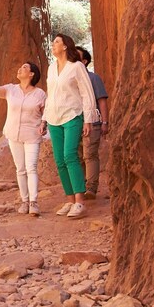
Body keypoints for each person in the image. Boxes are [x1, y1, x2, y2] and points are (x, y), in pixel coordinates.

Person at [41, 34, 98, 219]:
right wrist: (44, 119)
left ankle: (80, 202)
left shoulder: (77, 66)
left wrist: (88, 119)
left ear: (65, 46)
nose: (53, 45)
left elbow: (87, 93)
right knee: (59, 160)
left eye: (57, 42)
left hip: (73, 115)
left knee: (70, 155)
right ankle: (70, 200)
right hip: (53, 118)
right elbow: (50, 95)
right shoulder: (51, 68)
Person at [0, 55, 47, 216]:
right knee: (20, 169)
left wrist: (44, 123)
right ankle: (24, 201)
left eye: (25, 67)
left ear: (32, 74)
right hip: (13, 134)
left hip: (32, 134)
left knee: (31, 167)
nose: (20, 69)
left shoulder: (40, 94)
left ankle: (34, 202)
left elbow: (46, 112)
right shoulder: (11, 89)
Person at [75, 46, 109, 199]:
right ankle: (81, 186)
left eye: (77, 56)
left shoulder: (93, 78)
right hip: (74, 123)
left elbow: (102, 101)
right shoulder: (71, 80)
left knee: (89, 154)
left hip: (92, 122)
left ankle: (91, 188)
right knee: (77, 156)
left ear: (84, 61)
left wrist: (105, 122)